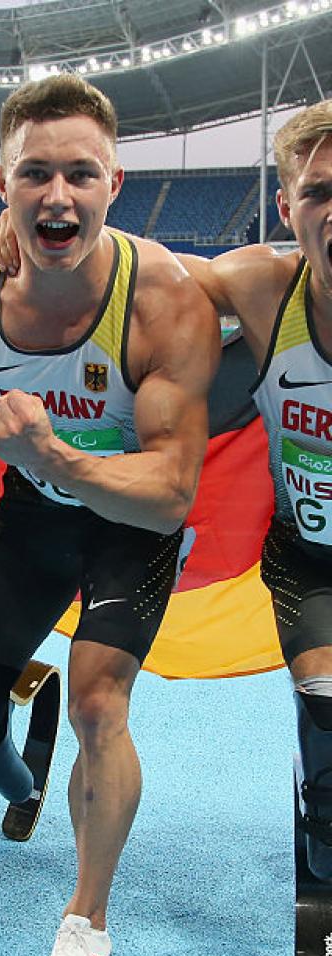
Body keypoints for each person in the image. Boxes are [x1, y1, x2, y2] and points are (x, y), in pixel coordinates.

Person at [0, 73, 221, 956]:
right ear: (1, 183)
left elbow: (168, 496)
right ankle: (21, 775)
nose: (58, 196)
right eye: (35, 174)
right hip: (35, 517)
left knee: (97, 703)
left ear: (114, 183)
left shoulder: (163, 299)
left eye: (79, 174)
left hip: (129, 523)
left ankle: (86, 919)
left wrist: (54, 453)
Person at [167, 101, 332, 884]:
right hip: (310, 562)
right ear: (287, 208)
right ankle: (324, 813)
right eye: (321, 191)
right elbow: (134, 274)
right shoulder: (265, 288)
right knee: (328, 711)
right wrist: (19, 238)